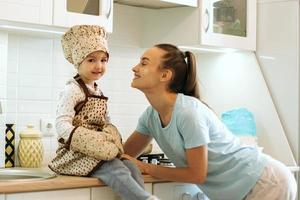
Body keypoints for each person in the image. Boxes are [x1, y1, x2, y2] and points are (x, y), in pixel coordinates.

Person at [122, 43, 297, 200]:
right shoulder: (151, 116)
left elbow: (197, 174)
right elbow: (123, 154)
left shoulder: (188, 113)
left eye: (143, 63)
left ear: (165, 75)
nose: (135, 68)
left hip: (265, 182)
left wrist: (145, 167)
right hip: (247, 187)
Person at [48, 25, 159, 200]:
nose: (99, 65)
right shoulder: (72, 90)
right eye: (91, 60)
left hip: (98, 151)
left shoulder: (97, 90)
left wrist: (108, 138)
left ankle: (141, 196)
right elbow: (61, 125)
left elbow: (105, 121)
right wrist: (88, 140)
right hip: (77, 154)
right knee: (115, 169)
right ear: (78, 60)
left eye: (103, 60)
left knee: (130, 166)